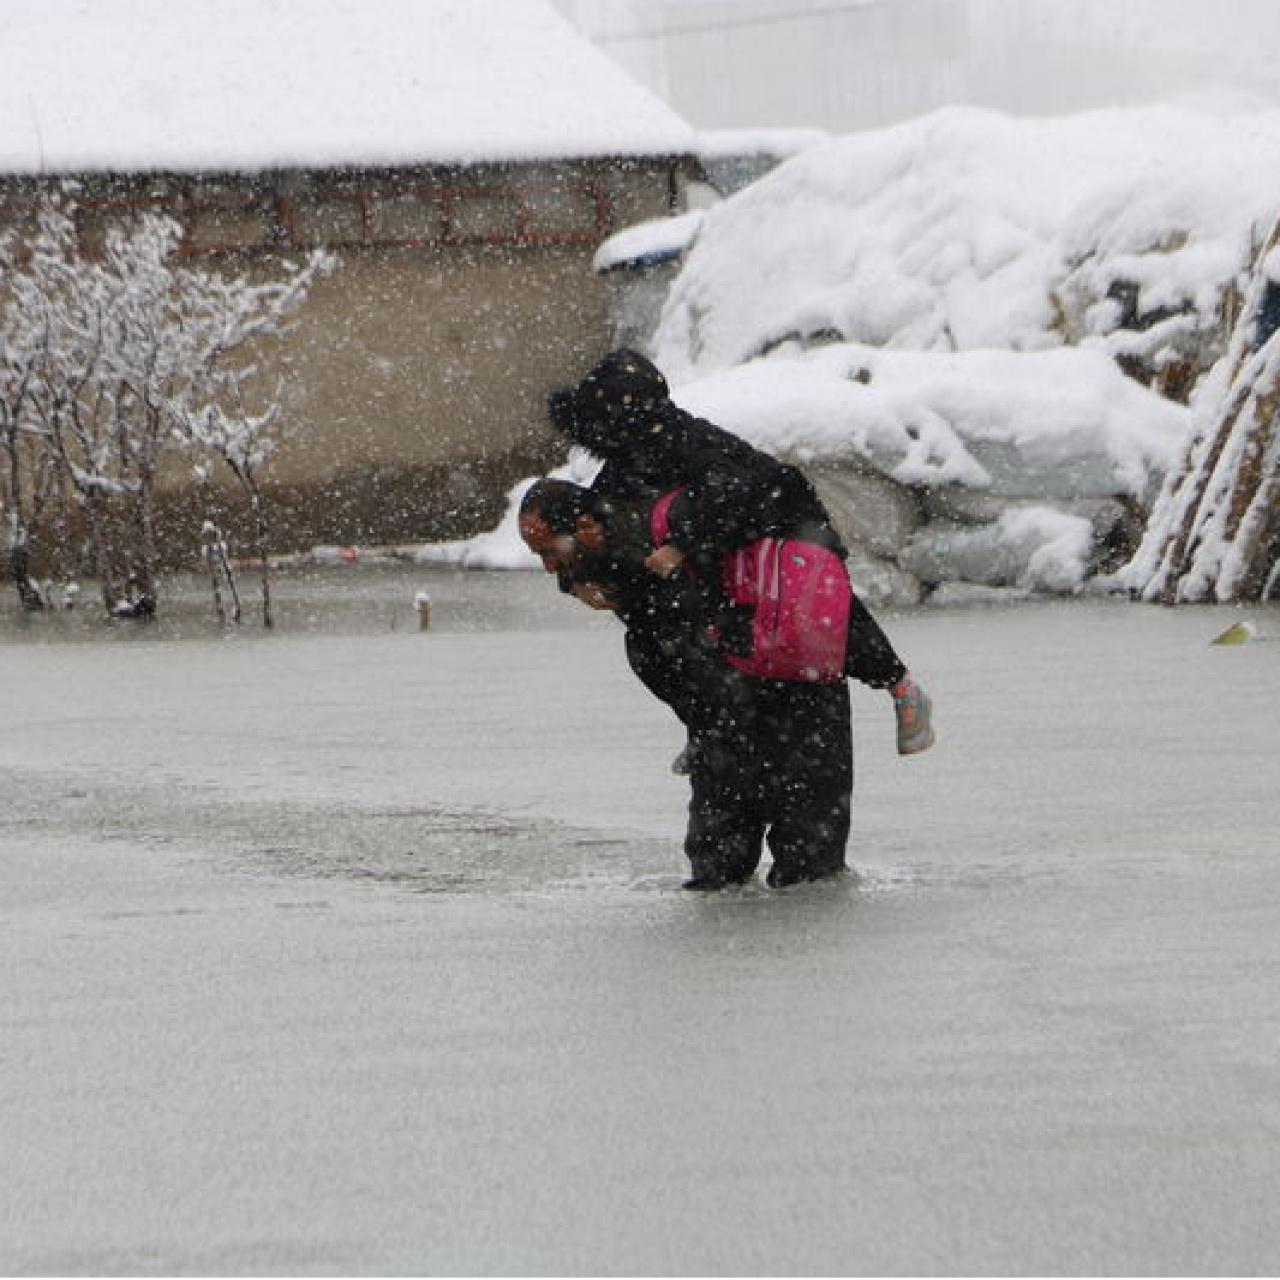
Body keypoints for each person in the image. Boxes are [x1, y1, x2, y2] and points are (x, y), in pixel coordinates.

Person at [547, 347, 935, 755]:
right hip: (729, 546)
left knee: (818, 616)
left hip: (784, 525)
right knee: (655, 644)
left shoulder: (683, 441)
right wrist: (576, 579)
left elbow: (728, 490)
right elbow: (594, 523)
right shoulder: (626, 461)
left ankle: (901, 686)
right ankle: (707, 726)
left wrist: (681, 546)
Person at [519, 479, 852, 891]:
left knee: (809, 870)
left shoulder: (667, 537)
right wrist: (571, 581)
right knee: (718, 868)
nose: (550, 568)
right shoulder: (602, 553)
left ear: (586, 527)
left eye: (550, 553)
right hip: (721, 716)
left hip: (792, 694)